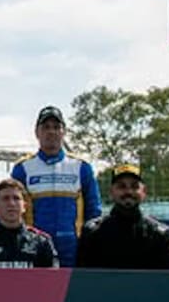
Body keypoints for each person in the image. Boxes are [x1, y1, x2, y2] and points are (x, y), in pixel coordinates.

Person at [10, 105, 101, 267]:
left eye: (56, 127)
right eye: (46, 127)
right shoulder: (22, 168)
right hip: (34, 247)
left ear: (64, 132)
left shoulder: (81, 167)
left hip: (73, 248)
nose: (51, 132)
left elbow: (94, 212)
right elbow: (11, 209)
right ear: (37, 133)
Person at [77, 164, 169, 269]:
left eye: (135, 186)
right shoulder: (92, 232)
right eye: (122, 186)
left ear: (144, 192)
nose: (129, 192)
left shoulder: (160, 235)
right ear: (111, 192)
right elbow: (84, 279)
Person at [0, 178, 59, 268]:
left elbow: (53, 280)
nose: (11, 203)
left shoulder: (42, 242)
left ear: (24, 206)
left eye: (16, 198)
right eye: (5, 198)